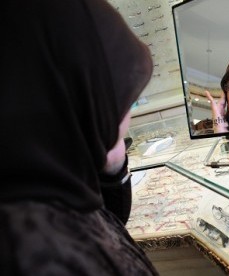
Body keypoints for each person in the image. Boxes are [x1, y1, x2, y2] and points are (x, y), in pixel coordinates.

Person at [1, 0, 158, 275]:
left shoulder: (49, 180)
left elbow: (106, 225)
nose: (128, 116)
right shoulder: (35, 254)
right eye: (123, 101)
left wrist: (113, 166)